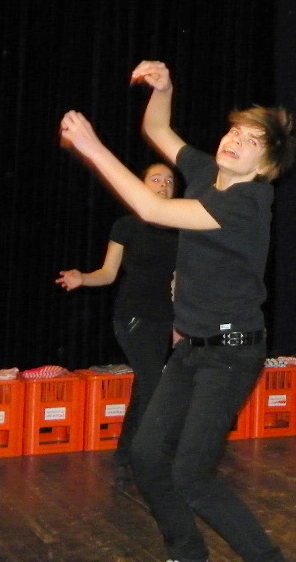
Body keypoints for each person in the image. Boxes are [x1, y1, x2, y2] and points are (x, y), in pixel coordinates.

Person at [59, 60, 295, 562]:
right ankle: (187, 552)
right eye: (234, 131)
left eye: (252, 140)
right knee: (147, 457)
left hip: (231, 354)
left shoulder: (249, 201)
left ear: (265, 163)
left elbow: (154, 209)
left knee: (192, 475)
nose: (235, 140)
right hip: (190, 348)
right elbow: (157, 130)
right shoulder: (209, 173)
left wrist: (94, 149)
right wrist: (164, 88)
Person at [56, 161, 179, 481]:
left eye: (169, 180)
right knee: (153, 382)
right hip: (134, 316)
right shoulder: (127, 225)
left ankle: (126, 453)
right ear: (141, 185)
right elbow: (108, 273)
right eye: (156, 179)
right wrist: (82, 278)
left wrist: (182, 322)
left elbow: (181, 278)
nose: (164, 184)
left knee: (147, 385)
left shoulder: (181, 228)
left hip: (165, 318)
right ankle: (146, 455)